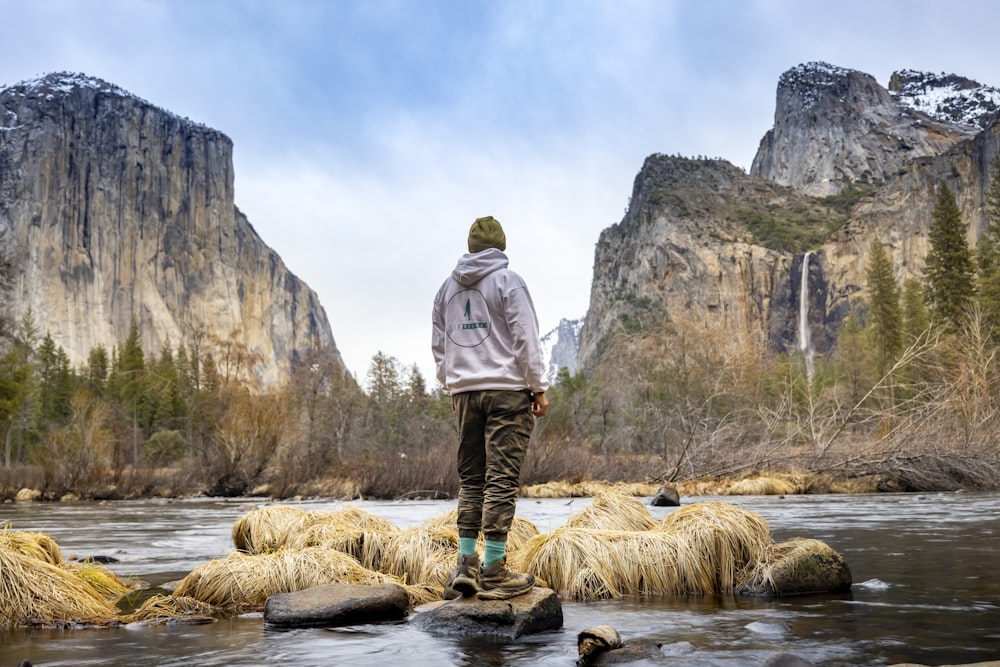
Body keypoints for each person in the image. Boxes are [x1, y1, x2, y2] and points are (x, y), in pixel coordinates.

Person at [431, 215, 550, 601]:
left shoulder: (446, 289)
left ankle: (465, 566)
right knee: (500, 478)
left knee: (471, 478)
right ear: (500, 247)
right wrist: (538, 388)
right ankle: (494, 571)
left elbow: (439, 345)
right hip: (507, 393)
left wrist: (452, 383)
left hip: (464, 394)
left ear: (470, 246)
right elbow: (526, 338)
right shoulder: (508, 281)